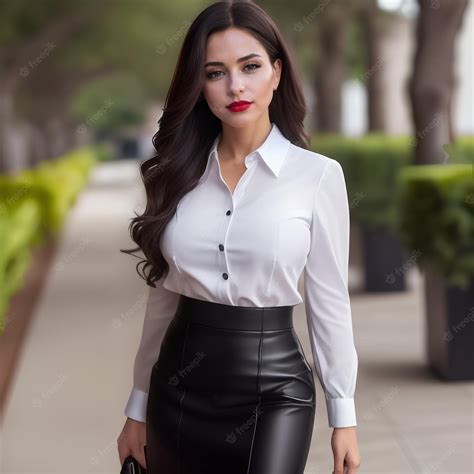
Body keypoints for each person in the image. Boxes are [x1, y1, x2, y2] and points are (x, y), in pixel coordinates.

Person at [117, 1, 361, 473]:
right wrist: (137, 407)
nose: (236, 86)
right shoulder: (177, 175)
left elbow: (329, 299)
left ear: (276, 72)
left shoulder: (317, 177)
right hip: (179, 386)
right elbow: (163, 299)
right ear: (199, 85)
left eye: (250, 66)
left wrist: (343, 414)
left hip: (276, 392)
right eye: (215, 72)